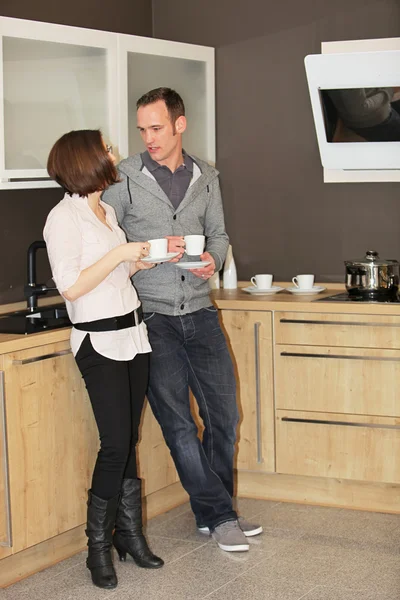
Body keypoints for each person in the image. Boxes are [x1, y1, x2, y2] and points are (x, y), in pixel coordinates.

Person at [103, 88, 262, 552]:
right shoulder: (125, 177)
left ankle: (214, 513)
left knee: (224, 416)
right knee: (177, 424)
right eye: (142, 130)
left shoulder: (207, 177)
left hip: (200, 308)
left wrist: (213, 259)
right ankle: (220, 515)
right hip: (151, 315)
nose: (148, 138)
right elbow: (107, 237)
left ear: (179, 125)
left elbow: (218, 233)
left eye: (156, 128)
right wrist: (146, 254)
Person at [43, 130, 164, 591]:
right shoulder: (62, 219)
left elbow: (110, 273)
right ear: (87, 161)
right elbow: (71, 287)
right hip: (98, 342)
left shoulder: (106, 210)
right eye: (106, 147)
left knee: (128, 439)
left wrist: (137, 263)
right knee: (114, 444)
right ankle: (98, 548)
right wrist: (119, 252)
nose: (113, 153)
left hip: (132, 333)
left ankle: (129, 536)